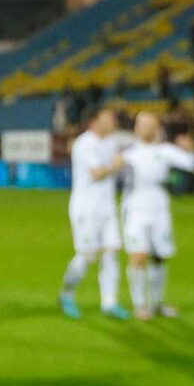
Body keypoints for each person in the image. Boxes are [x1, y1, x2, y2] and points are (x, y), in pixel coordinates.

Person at [120, 112, 194, 320]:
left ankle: (157, 303)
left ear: (158, 128)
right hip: (135, 209)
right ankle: (140, 304)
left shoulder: (165, 151)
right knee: (139, 255)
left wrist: (191, 149)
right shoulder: (128, 153)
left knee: (159, 256)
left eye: (149, 124)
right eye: (141, 124)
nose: (144, 128)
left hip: (159, 209)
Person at [59, 106, 129, 321]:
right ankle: (67, 294)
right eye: (108, 117)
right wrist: (116, 165)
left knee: (111, 253)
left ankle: (109, 302)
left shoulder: (111, 142)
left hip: (107, 207)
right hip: (86, 208)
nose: (113, 121)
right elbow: (97, 173)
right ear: (94, 121)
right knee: (87, 255)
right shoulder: (84, 144)